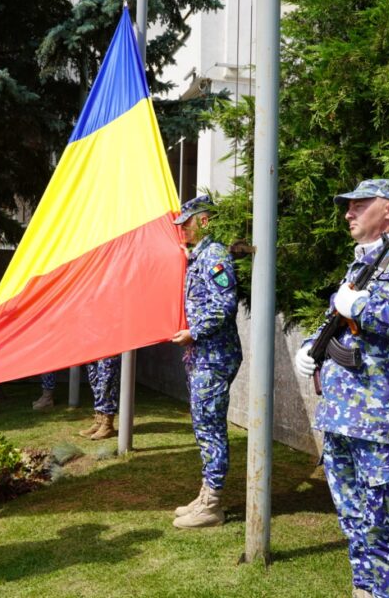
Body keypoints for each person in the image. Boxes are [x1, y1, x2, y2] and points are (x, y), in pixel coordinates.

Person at [294, 179, 389, 598]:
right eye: (348, 206)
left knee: (382, 524)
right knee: (353, 519)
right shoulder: (361, 265)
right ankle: (365, 590)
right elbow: (339, 325)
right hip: (343, 416)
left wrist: (362, 306)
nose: (348, 213)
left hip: (381, 418)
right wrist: (312, 349)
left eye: (359, 205)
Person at [170, 194, 242, 530]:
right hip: (203, 356)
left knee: (210, 428)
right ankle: (206, 493)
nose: (181, 229)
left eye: (186, 222)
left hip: (214, 357)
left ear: (204, 221)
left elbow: (224, 305)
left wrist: (192, 332)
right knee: (203, 425)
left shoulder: (214, 256)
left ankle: (212, 505)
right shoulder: (200, 256)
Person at [77, 356, 121, 440]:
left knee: (107, 383)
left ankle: (107, 425)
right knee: (94, 380)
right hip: (94, 346)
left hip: (110, 348)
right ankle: (99, 421)